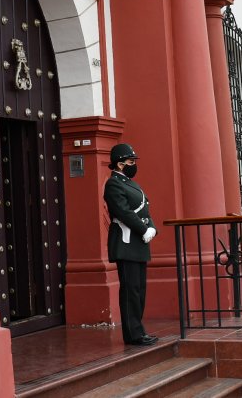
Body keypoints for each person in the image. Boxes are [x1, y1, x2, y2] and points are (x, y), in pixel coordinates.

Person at [104, 142, 158, 346]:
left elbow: (145, 208)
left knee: (139, 289)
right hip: (126, 242)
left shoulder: (128, 182)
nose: (133, 164)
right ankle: (133, 334)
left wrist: (152, 227)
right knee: (131, 290)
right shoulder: (114, 184)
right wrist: (144, 229)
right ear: (119, 164)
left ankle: (138, 329)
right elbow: (123, 211)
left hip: (138, 242)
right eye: (130, 161)